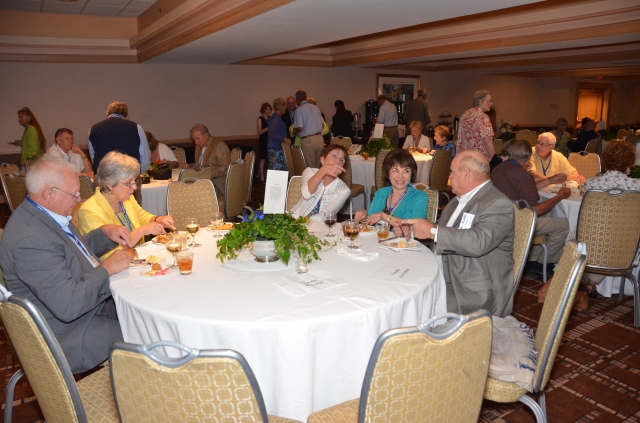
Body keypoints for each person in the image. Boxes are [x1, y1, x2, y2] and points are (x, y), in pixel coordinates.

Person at [0, 156, 132, 373]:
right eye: (74, 194)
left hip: (88, 309)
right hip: (70, 334)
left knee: (146, 308)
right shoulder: (29, 240)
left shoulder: (43, 215)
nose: (78, 199)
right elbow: (69, 305)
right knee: (147, 331)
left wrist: (104, 235)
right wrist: (106, 268)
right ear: (49, 193)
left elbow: (68, 254)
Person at [394, 151, 514, 317]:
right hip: (443, 276)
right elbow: (448, 235)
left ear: (466, 174)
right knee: (397, 289)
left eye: (451, 171)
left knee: (409, 311)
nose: (449, 177)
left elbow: (478, 242)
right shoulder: (456, 201)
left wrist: (433, 231)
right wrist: (416, 232)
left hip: (469, 292)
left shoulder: (497, 203)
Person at [491, 139, 570, 280]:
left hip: (500, 217)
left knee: (550, 213)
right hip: (518, 222)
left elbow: (525, 188)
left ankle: (531, 261)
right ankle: (541, 264)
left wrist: (550, 180)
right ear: (528, 158)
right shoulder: (521, 174)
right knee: (564, 225)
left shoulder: (499, 169)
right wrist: (559, 197)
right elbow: (535, 210)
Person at [78, 151, 175, 260]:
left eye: (135, 181)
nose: (134, 187)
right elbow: (108, 254)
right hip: (115, 271)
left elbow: (142, 216)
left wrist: (158, 219)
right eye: (129, 183)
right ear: (110, 184)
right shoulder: (89, 211)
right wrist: (142, 230)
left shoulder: (126, 198)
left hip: (138, 260)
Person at [579, 141, 640, 296]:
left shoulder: (591, 183)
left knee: (597, 236)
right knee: (617, 236)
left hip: (593, 244)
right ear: (628, 162)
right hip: (626, 249)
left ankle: (586, 281)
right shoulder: (636, 186)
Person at [354, 149, 428, 226]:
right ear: (387, 173)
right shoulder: (380, 193)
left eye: (406, 171)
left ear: (412, 173)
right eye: (395, 170)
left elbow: (417, 225)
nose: (400, 176)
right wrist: (364, 214)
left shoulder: (419, 197)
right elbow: (370, 222)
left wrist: (385, 217)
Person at [291, 144, 350, 222]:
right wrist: (323, 171)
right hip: (294, 220)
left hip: (320, 227)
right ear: (322, 160)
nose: (338, 161)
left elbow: (325, 216)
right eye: (334, 156)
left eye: (342, 160)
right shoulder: (309, 172)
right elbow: (306, 193)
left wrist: (304, 222)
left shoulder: (344, 190)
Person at [88, 101, 150, 174]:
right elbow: (145, 158)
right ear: (127, 116)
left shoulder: (93, 130)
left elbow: (94, 157)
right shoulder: (136, 128)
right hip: (129, 175)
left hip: (104, 177)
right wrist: (140, 172)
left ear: (107, 114)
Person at [185, 124, 231, 196]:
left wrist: (205, 173)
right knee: (184, 187)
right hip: (202, 181)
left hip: (216, 184)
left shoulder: (219, 145)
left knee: (189, 192)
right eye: (194, 140)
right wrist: (190, 166)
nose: (196, 142)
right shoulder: (199, 146)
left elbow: (225, 168)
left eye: (197, 138)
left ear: (206, 135)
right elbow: (200, 165)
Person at [457, 90, 495, 161]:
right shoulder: (483, 117)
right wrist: (495, 158)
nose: (491, 103)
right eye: (489, 101)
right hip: (479, 160)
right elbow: (487, 142)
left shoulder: (465, 115)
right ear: (480, 102)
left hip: (464, 158)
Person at [294, 90, 325, 168]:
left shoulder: (299, 110)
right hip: (320, 139)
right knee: (318, 167)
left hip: (308, 141)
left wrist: (295, 130)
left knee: (309, 168)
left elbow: (300, 128)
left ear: (297, 99)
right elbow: (322, 125)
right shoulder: (316, 108)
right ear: (305, 97)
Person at [267, 98, 291, 171]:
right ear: (281, 107)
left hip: (276, 148)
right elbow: (271, 133)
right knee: (278, 173)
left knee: (278, 172)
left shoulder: (276, 117)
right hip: (276, 149)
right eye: (285, 106)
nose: (286, 108)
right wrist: (284, 139)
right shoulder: (275, 118)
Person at [257, 102, 272, 183]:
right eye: (267, 109)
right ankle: (262, 176)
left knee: (270, 159)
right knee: (262, 159)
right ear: (263, 110)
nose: (269, 110)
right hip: (263, 140)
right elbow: (259, 132)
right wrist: (268, 128)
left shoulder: (271, 118)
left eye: (270, 109)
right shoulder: (260, 119)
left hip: (270, 140)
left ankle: (270, 175)